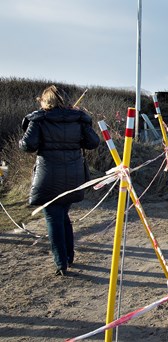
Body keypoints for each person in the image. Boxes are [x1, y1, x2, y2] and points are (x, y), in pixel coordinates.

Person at [20, 85, 100, 276]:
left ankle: (61, 262)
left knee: (53, 218)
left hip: (48, 176)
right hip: (73, 176)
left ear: (45, 101)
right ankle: (68, 257)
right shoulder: (78, 119)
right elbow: (93, 143)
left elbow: (27, 145)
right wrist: (83, 124)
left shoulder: (39, 119)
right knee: (62, 216)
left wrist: (28, 127)